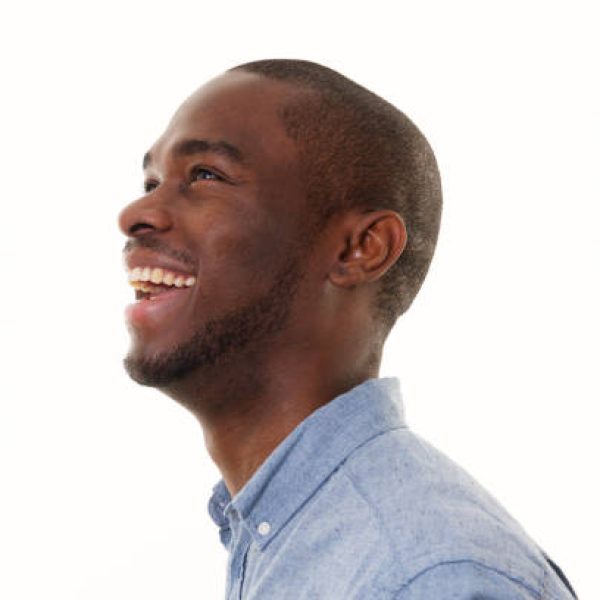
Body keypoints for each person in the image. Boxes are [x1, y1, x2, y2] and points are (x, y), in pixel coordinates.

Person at [118, 59, 577, 599]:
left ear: (361, 248)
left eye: (205, 175)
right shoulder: (291, 536)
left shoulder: (426, 577)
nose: (136, 212)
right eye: (151, 181)